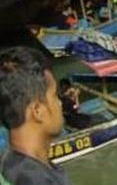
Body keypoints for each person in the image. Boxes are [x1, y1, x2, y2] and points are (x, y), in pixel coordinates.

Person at [0, 46, 70, 185]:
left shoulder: (8, 162)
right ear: (37, 111)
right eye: (55, 96)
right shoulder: (36, 180)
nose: (60, 104)